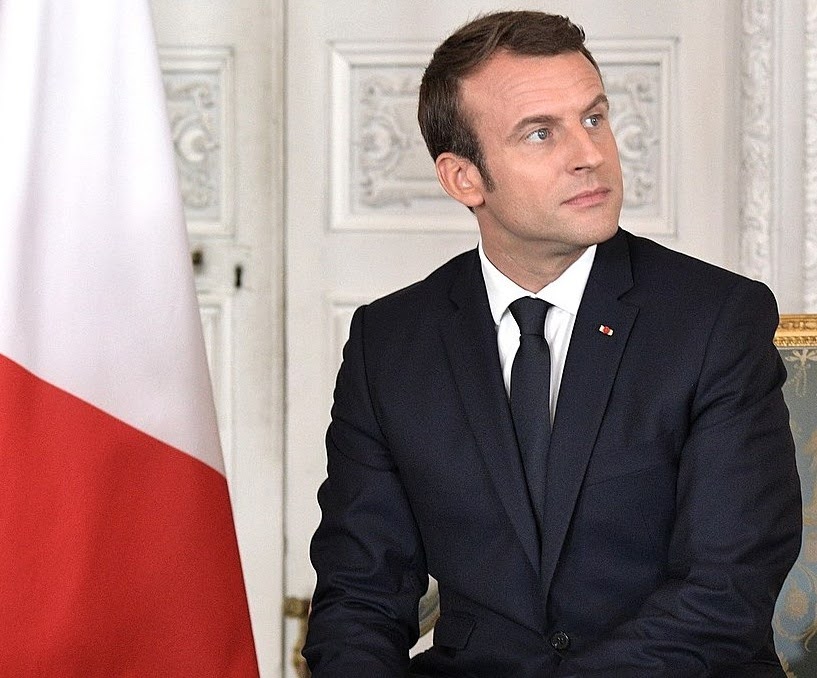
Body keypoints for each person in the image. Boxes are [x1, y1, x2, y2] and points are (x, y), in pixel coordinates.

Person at [303, 10, 802, 677]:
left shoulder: (715, 319)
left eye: (593, 118)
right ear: (463, 178)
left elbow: (723, 595)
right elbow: (360, 596)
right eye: (541, 133)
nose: (588, 154)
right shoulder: (389, 342)